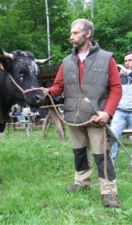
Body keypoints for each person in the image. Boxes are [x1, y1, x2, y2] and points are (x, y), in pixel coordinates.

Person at [41, 19, 122, 208]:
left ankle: (109, 192)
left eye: (75, 33)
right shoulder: (67, 61)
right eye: (71, 33)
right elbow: (59, 85)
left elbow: (116, 89)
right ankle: (82, 183)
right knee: (78, 153)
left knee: (101, 155)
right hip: (73, 117)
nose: (71, 37)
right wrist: (48, 92)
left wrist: (107, 113)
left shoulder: (106, 58)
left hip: (96, 118)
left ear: (88, 34)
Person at [110, 51, 132, 162]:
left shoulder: (127, 72)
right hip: (120, 112)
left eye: (130, 60)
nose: (127, 63)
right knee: (112, 136)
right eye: (126, 61)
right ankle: (111, 165)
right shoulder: (120, 76)